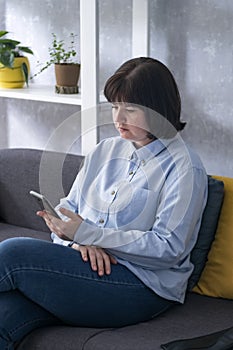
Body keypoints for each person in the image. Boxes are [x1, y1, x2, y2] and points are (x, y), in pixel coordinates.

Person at [0, 57, 208, 349]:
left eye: (130, 109)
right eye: (114, 107)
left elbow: (168, 249)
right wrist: (78, 242)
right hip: (84, 266)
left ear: (158, 109)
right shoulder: (105, 151)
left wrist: (90, 234)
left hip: (141, 287)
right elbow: (66, 211)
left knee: (12, 253)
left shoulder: (184, 167)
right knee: (4, 316)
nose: (118, 119)